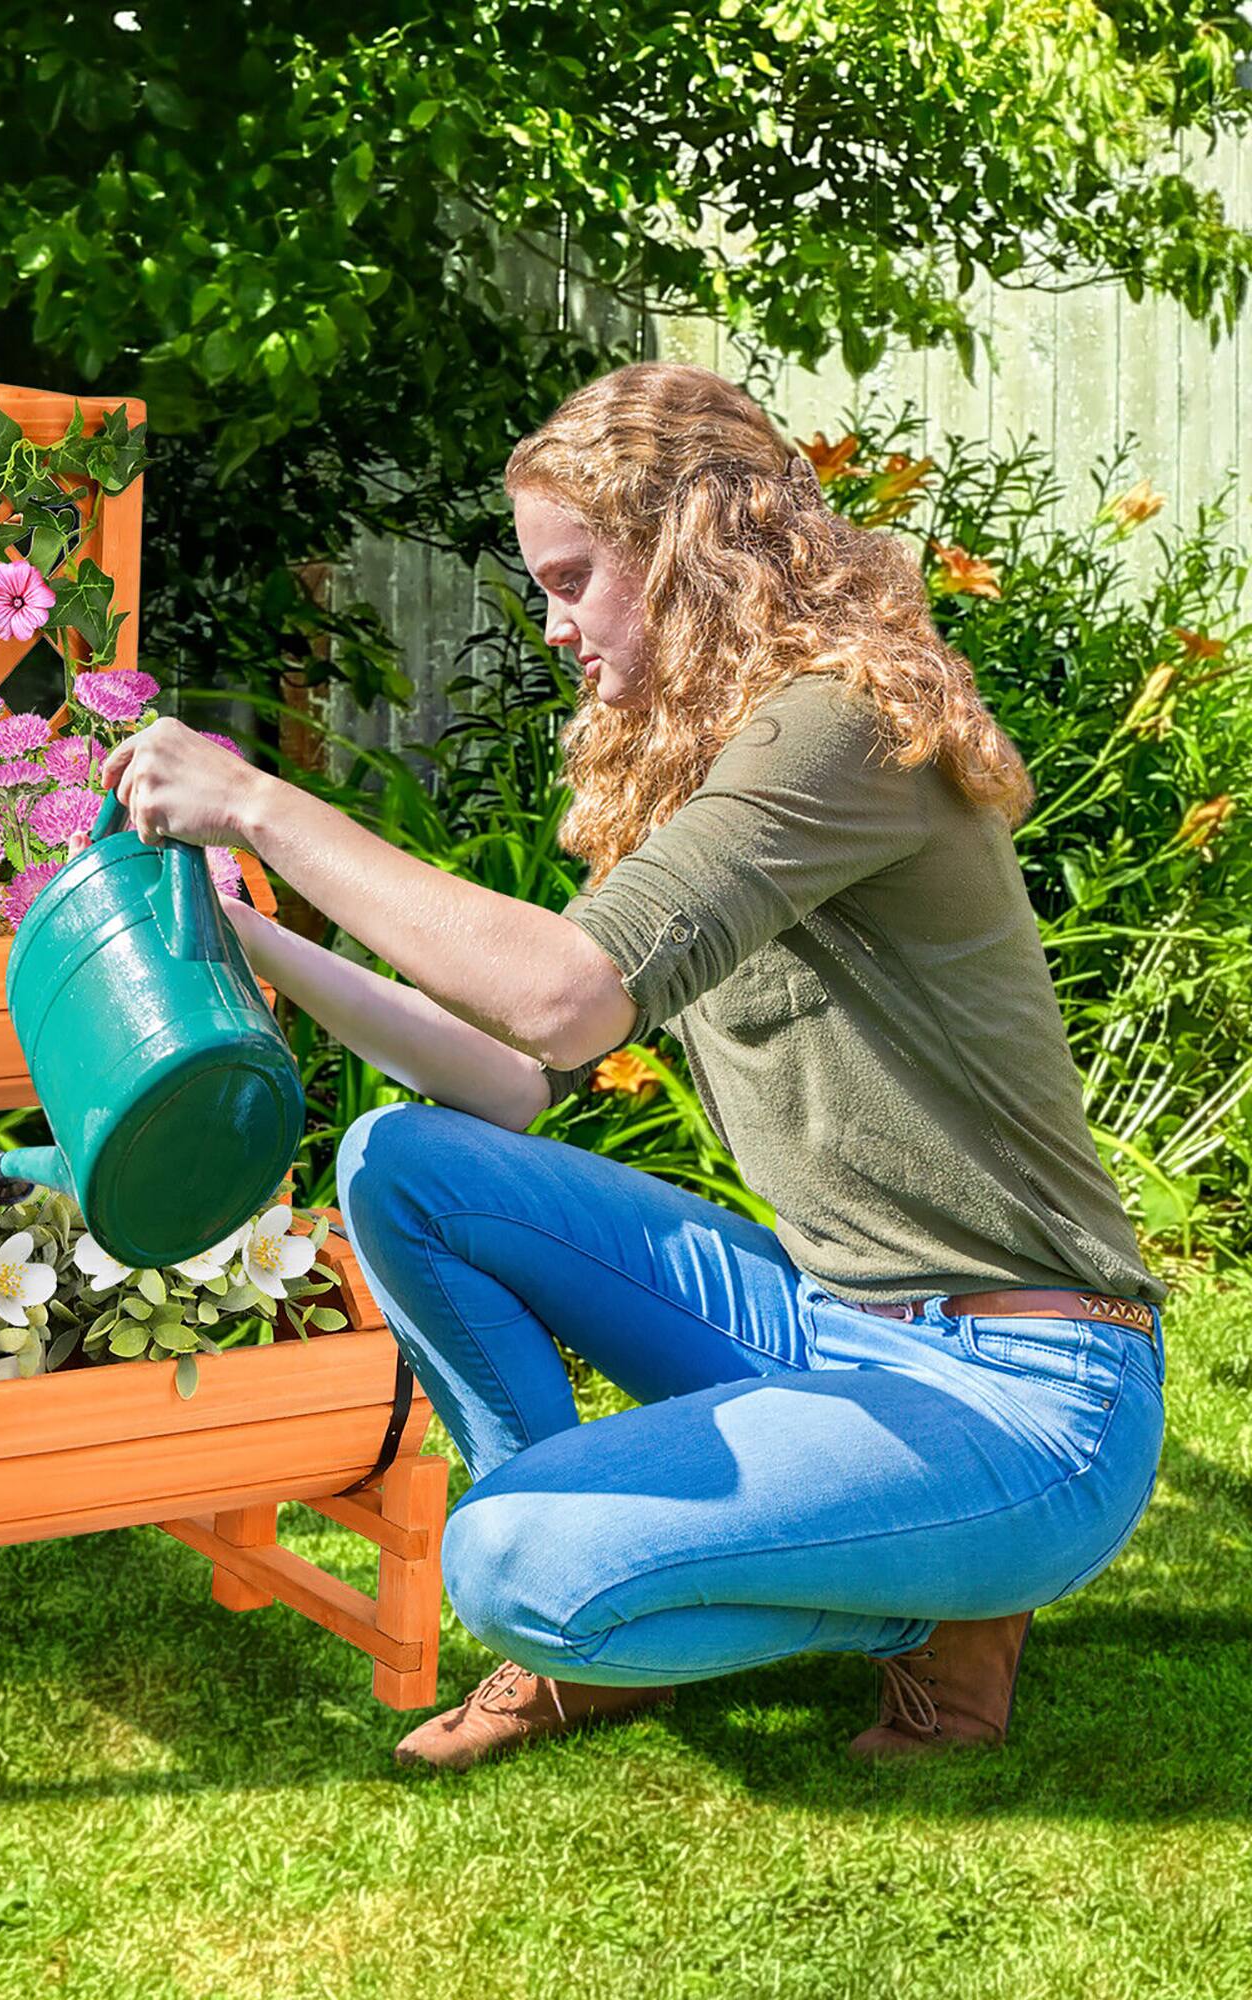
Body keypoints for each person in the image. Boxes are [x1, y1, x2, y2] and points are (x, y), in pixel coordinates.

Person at [90, 361, 1168, 1772]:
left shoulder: (840, 727)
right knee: (403, 1165)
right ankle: (641, 1606)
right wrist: (254, 936)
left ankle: (901, 1609)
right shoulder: (718, 766)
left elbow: (563, 998)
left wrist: (253, 798)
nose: (553, 625)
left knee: (514, 1565)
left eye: (574, 577)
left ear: (688, 544)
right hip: (836, 1321)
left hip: (1028, 1386)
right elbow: (513, 1081)